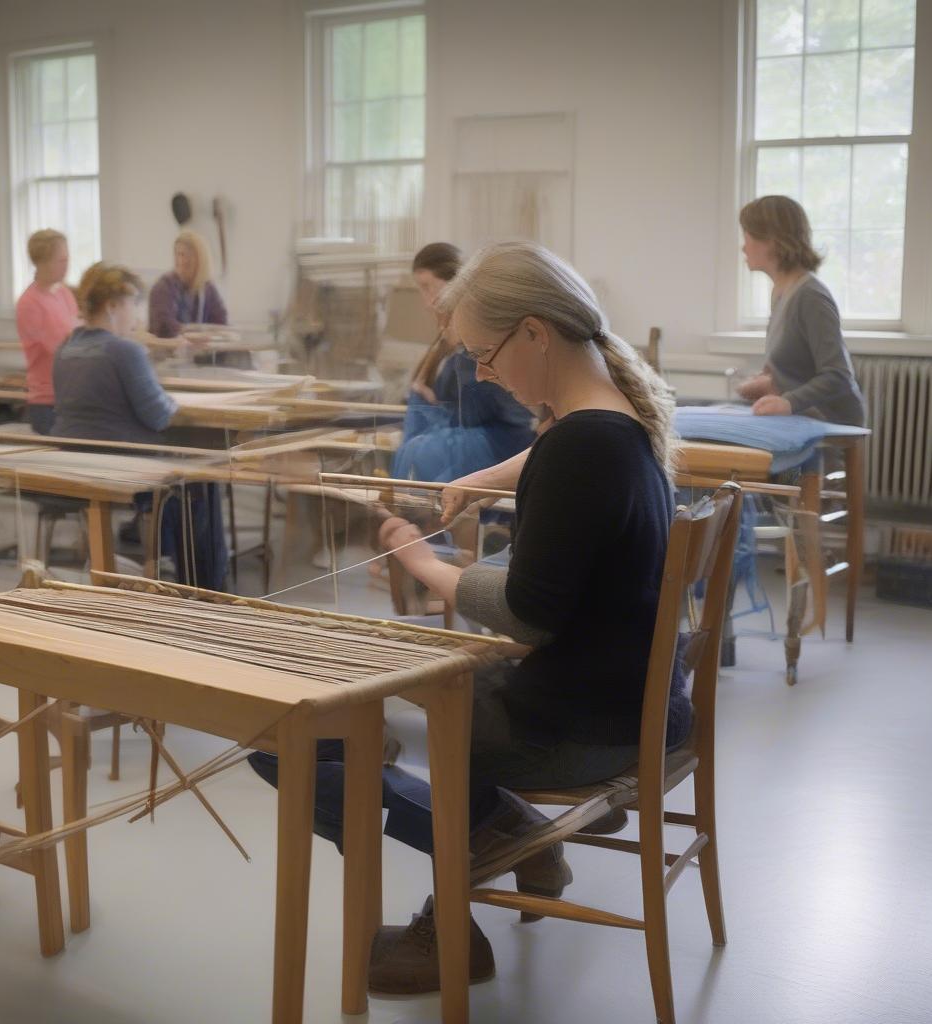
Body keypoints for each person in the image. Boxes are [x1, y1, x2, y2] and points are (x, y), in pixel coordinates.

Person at [249, 241, 692, 992]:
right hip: (624, 701)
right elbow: (555, 463)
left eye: (485, 356)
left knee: (283, 733)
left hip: (579, 724)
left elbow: (527, 617)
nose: (484, 374)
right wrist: (486, 478)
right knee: (360, 697)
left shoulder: (580, 447)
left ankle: (460, 915)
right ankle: (512, 840)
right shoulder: (617, 420)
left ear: (533, 334)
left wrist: (425, 565)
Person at [53, 262, 228, 590]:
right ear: (113, 306)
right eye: (133, 306)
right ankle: (206, 589)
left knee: (184, 477)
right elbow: (160, 416)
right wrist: (172, 400)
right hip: (120, 465)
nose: (136, 317)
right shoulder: (123, 350)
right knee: (203, 480)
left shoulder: (66, 348)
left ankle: (160, 563)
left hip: (74, 459)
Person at [391, 242, 536, 482]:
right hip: (484, 458)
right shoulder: (449, 346)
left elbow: (491, 415)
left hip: (498, 456)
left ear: (455, 282)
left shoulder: (472, 351)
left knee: (423, 451)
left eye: (427, 287)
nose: (427, 302)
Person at [736, 195, 864, 426]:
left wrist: (789, 402)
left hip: (830, 423)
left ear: (772, 240)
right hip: (800, 417)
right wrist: (769, 382)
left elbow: (838, 376)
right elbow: (796, 371)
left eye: (748, 236)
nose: (743, 247)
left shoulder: (810, 296)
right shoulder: (780, 291)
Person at [148, 230, 245, 368]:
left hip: (197, 362)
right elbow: (165, 327)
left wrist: (219, 336)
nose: (181, 261)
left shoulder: (207, 289)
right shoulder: (164, 287)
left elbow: (221, 321)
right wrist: (195, 335)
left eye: (187, 256)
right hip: (166, 362)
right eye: (178, 254)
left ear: (200, 260)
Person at [15, 229, 79, 435]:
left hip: (70, 394)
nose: (66, 266)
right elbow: (61, 348)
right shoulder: (29, 303)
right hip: (47, 401)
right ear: (42, 263)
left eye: (67, 259)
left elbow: (78, 333)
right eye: (60, 261)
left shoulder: (64, 293)